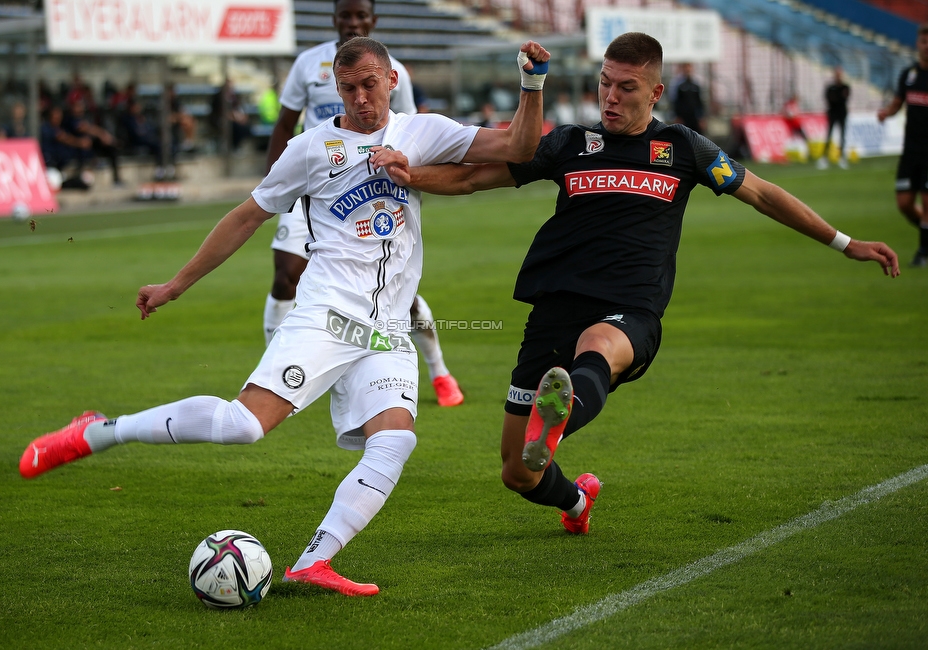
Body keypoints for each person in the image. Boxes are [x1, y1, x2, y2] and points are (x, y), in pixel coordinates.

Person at [19, 37, 551, 596]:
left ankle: (311, 562)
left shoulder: (424, 131)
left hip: (387, 328)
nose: (360, 97)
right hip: (326, 314)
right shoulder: (311, 148)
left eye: (370, 84)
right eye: (348, 88)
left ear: (392, 79)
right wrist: (177, 284)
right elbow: (247, 216)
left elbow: (518, 145)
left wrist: (532, 83)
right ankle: (101, 431)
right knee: (243, 425)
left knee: (395, 440)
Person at [383, 32, 900, 537]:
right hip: (554, 308)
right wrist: (413, 175)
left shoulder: (682, 148)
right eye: (605, 83)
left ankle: (558, 415)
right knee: (517, 471)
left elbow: (762, 194)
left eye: (626, 87)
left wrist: (845, 243)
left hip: (630, 309)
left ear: (655, 92)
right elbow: (475, 177)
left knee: (597, 347)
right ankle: (577, 498)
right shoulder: (570, 144)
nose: (610, 96)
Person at [263, 0, 465, 407]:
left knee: (395, 293)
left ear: (373, 21)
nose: (352, 22)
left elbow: (413, 129)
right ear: (334, 19)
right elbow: (285, 123)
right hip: (317, 185)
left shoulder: (394, 71)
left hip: (374, 189)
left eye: (360, 16)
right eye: (345, 16)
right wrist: (275, 184)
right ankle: (278, 365)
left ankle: (439, 371)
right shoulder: (308, 64)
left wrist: (415, 181)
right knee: (285, 273)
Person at [878, 23, 928, 267]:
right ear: (918, 44)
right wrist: (886, 113)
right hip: (911, 151)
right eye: (923, 42)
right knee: (905, 204)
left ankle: (924, 252)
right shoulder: (909, 75)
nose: (927, 47)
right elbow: (898, 102)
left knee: (927, 203)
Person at [64, 98, 122, 187]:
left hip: (89, 145)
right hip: (76, 147)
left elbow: (91, 128)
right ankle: (79, 180)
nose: (80, 109)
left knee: (111, 149)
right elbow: (85, 128)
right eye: (77, 106)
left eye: (81, 106)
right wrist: (102, 135)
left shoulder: (85, 117)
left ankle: (116, 179)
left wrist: (104, 136)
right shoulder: (69, 119)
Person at [818, 67, 850, 170]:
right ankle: (824, 158)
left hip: (841, 114)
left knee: (842, 136)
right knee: (829, 135)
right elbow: (829, 99)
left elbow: (842, 99)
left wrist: (836, 99)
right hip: (832, 114)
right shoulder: (831, 87)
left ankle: (841, 157)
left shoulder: (845, 87)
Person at [669, 62, 705, 134]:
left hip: (694, 118)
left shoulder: (696, 85)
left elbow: (700, 102)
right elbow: (675, 101)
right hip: (683, 118)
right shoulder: (678, 85)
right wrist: (677, 116)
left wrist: (701, 117)